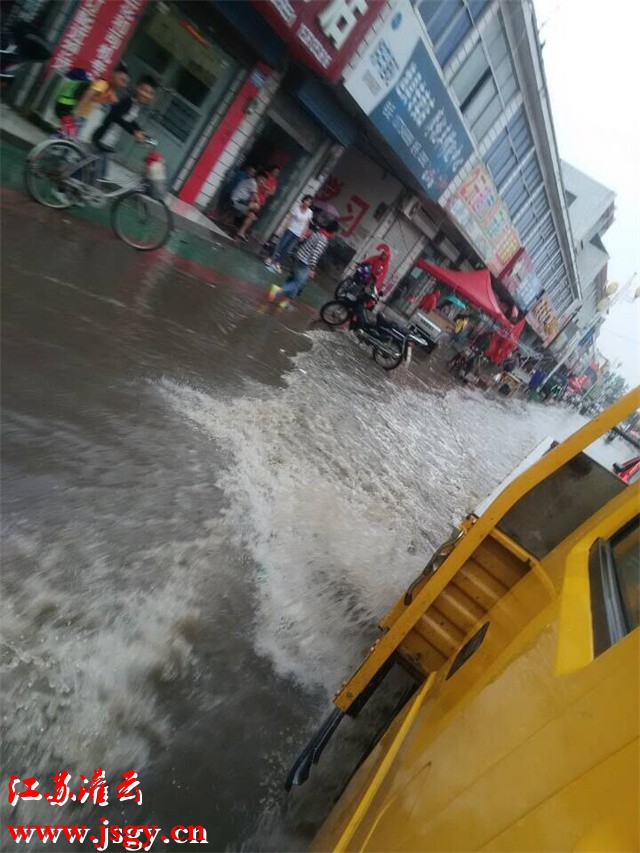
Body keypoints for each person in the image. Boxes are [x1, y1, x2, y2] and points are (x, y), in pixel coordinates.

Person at [91, 74, 156, 180]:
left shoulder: (136, 105)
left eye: (150, 93)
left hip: (109, 141)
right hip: (103, 138)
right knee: (97, 174)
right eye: (144, 90)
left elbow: (129, 120)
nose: (146, 95)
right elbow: (117, 118)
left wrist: (139, 130)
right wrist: (134, 132)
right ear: (138, 88)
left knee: (95, 173)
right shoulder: (128, 101)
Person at [268, 220, 340, 309]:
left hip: (299, 257)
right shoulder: (323, 239)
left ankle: (285, 302)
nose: (335, 235)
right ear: (333, 232)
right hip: (305, 262)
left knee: (293, 279)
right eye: (335, 233)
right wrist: (312, 268)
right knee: (298, 283)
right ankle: (277, 291)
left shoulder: (318, 233)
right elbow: (315, 254)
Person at [74, 62, 130, 136]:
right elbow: (88, 94)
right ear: (114, 74)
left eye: (125, 83)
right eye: (122, 80)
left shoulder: (111, 93)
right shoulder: (103, 84)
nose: (123, 85)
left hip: (87, 120)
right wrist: (76, 112)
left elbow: (114, 105)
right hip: (79, 116)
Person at [264, 194, 314, 273]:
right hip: (290, 229)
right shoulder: (296, 208)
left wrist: (303, 234)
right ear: (303, 200)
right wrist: (283, 229)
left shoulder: (309, 212)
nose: (307, 203)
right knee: (281, 245)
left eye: (309, 202)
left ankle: (278, 263)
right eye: (306, 200)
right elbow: (290, 219)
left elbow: (307, 224)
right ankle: (270, 258)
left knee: (288, 249)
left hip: (298, 233)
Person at [233, 168, 264, 241]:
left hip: (239, 201)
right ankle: (240, 232)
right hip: (236, 202)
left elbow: (251, 199)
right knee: (256, 207)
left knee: (252, 215)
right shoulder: (253, 183)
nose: (263, 183)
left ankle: (241, 233)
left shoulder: (252, 182)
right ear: (259, 178)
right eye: (263, 180)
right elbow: (257, 200)